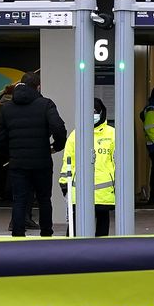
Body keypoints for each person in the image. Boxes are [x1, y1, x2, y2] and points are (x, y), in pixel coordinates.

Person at [0, 80, 65, 237]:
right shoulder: (46, 104)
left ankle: (18, 235)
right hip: (42, 161)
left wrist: (9, 153)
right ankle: (46, 233)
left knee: (19, 199)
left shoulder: (6, 108)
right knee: (44, 199)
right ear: (37, 87)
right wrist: (56, 146)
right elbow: (58, 127)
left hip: (18, 162)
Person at [60, 98, 116, 236]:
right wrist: (63, 184)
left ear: (102, 113)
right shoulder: (76, 134)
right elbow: (68, 161)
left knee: (102, 230)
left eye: (95, 112)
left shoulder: (112, 134)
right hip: (80, 192)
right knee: (75, 230)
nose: (93, 115)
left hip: (104, 194)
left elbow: (117, 162)